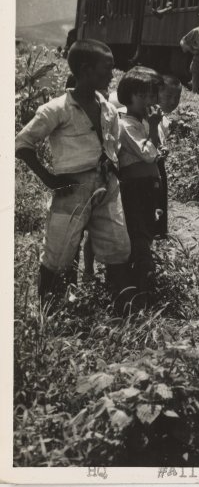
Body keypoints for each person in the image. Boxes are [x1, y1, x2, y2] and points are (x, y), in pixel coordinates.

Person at [14, 40, 135, 313]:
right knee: (58, 253)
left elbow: (112, 146)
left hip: (106, 188)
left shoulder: (108, 108)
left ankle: (123, 312)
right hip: (72, 191)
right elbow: (22, 144)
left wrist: (112, 174)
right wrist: (50, 179)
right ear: (85, 69)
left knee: (118, 247)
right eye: (107, 68)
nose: (112, 74)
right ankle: (50, 314)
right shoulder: (57, 109)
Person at [116, 67, 165, 308]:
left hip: (150, 187)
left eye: (150, 96)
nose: (148, 101)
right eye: (142, 96)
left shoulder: (144, 122)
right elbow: (148, 154)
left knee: (147, 232)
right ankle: (141, 290)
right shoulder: (126, 124)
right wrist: (154, 128)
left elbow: (158, 148)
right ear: (129, 96)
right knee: (139, 235)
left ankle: (141, 286)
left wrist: (155, 127)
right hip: (135, 188)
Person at [153, 73, 182, 239]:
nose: (173, 102)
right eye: (169, 96)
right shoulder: (145, 114)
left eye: (177, 97)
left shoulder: (165, 120)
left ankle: (159, 231)